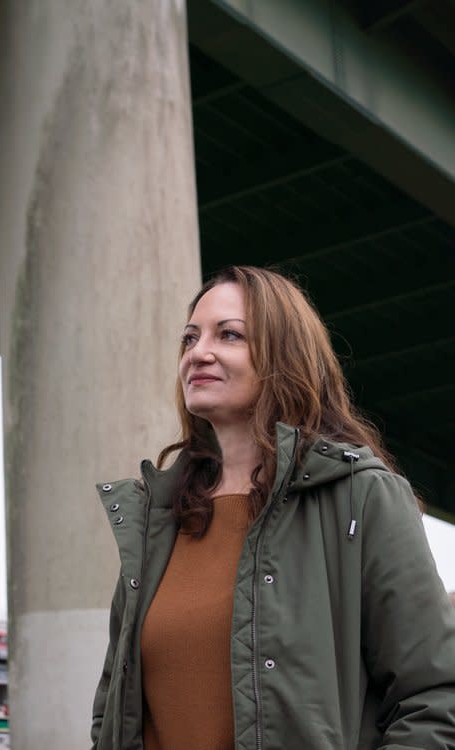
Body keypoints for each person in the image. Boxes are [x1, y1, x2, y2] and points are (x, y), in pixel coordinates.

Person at [89, 266, 455, 749]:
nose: (199, 353)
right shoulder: (155, 518)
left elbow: (433, 698)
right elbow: (112, 711)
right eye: (190, 338)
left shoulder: (361, 498)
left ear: (284, 356)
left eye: (230, 335)